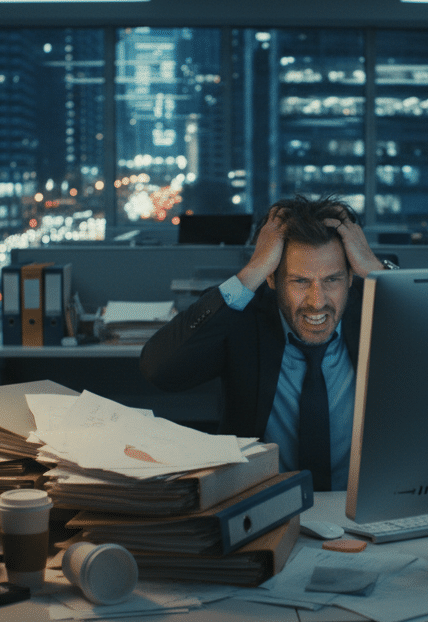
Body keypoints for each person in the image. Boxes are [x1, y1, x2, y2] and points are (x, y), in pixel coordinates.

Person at [139, 195, 395, 491]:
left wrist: (377, 272)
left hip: (363, 505)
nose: (318, 302)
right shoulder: (244, 319)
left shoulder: (374, 311)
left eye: (332, 280)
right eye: (300, 281)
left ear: (350, 277)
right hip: (262, 506)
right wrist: (253, 270)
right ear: (272, 279)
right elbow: (159, 369)